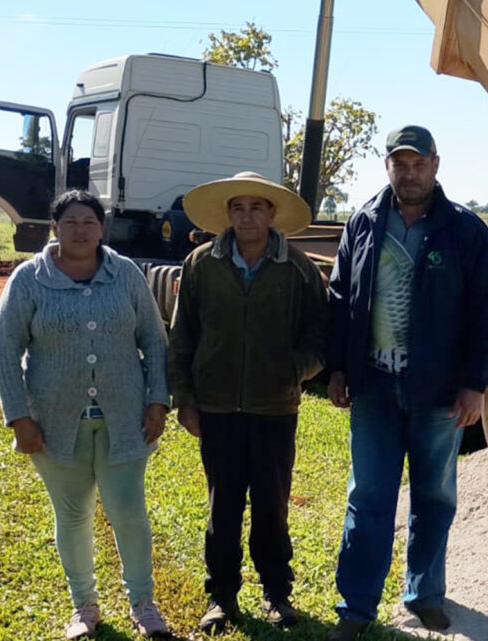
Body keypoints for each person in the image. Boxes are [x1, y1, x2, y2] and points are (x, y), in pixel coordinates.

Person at [325, 125, 488, 640]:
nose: (409, 173)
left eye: (418, 163)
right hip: (375, 387)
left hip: (439, 391)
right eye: (399, 164)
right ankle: (355, 608)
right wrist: (338, 367)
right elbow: (340, 299)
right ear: (387, 167)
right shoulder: (362, 222)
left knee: (434, 495)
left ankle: (424, 595)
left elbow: (485, 313)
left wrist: (476, 383)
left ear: (436, 165)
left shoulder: (465, 230)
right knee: (370, 496)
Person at [0, 190, 171, 640]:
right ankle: (84, 607)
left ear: (102, 227)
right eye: (69, 222)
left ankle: (143, 604)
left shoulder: (125, 274)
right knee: (72, 515)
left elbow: (154, 339)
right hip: (52, 423)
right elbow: (4, 351)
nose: (80, 230)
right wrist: (19, 417)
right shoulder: (28, 279)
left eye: (89, 221)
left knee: (128, 511)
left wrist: (158, 401)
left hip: (124, 418)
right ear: (54, 228)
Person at [167, 171, 327, 634]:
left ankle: (278, 595)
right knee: (223, 506)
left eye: (257, 207)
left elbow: (321, 336)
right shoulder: (200, 264)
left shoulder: (297, 268)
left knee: (272, 506)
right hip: (216, 408)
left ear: (272, 214)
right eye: (238, 208)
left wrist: (293, 370)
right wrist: (185, 399)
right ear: (227, 214)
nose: (247, 216)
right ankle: (221, 598)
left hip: (275, 409)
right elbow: (182, 338)